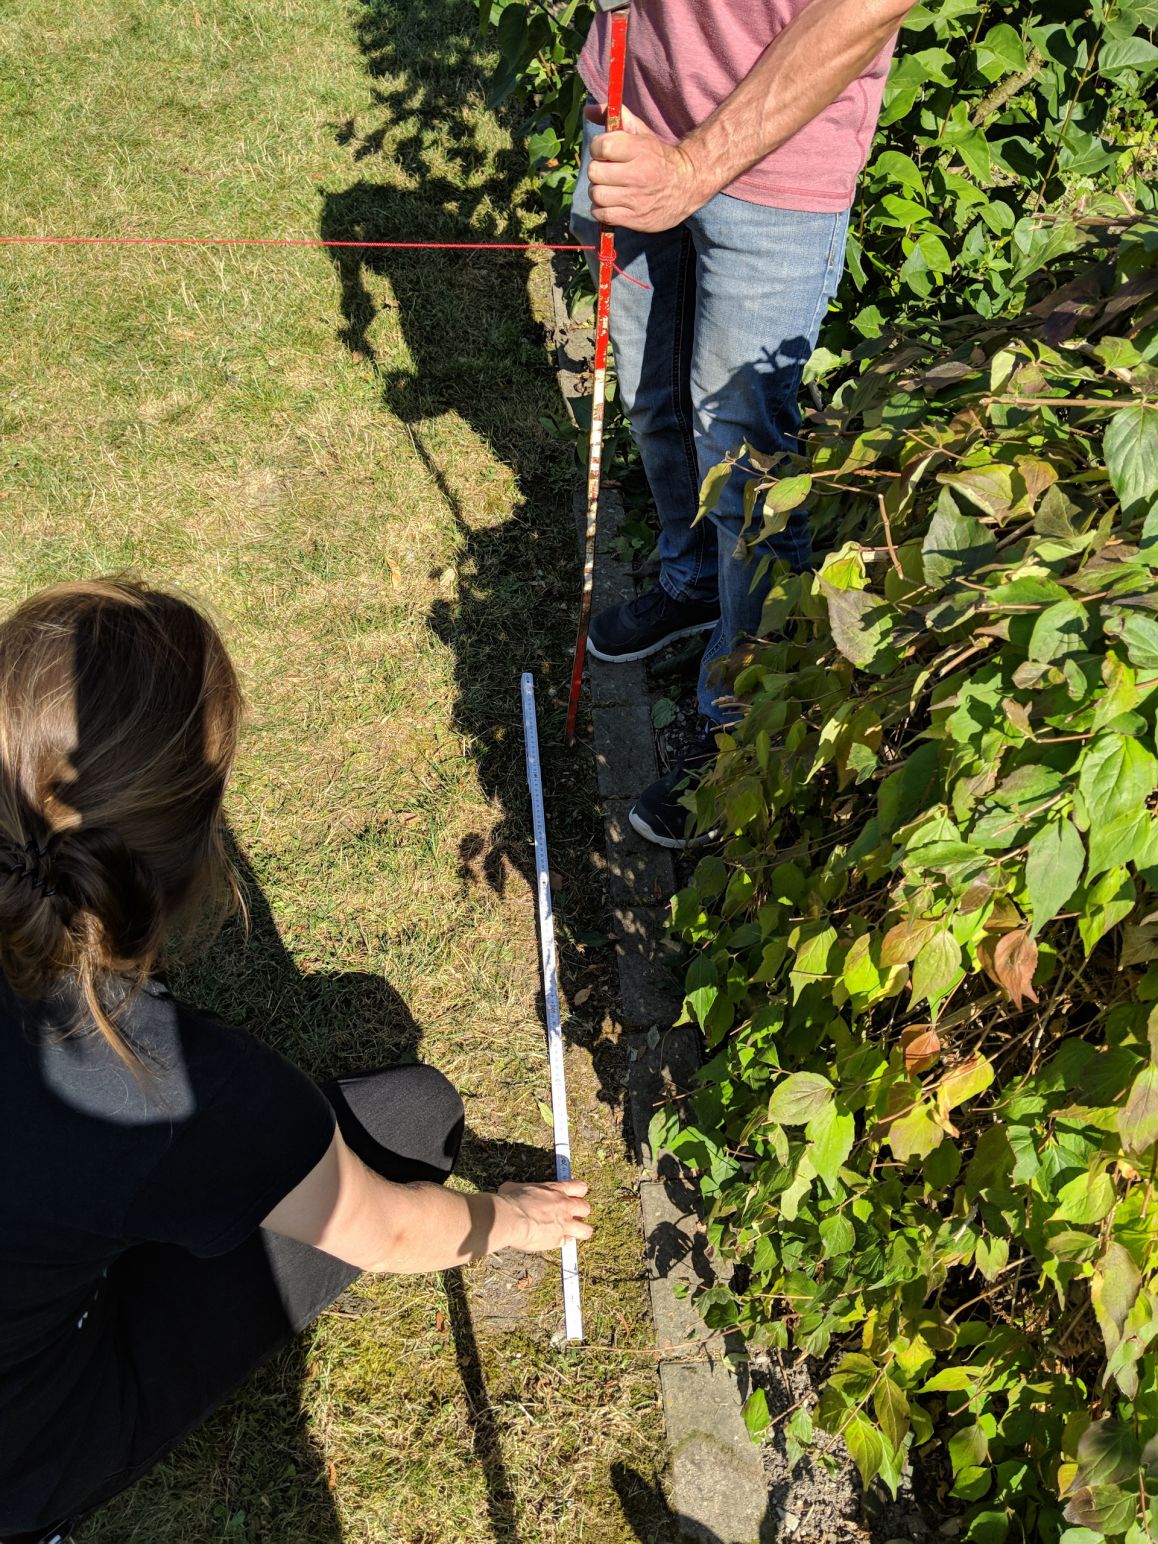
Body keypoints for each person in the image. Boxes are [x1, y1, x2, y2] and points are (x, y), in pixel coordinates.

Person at [0, 580, 592, 1544]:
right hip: (24, 1450)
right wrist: (509, 1218)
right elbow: (390, 1234)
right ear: (191, 854)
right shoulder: (177, 1086)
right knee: (412, 1121)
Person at [570, 0, 914, 847]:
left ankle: (737, 719)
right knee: (654, 407)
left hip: (776, 171)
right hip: (632, 110)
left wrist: (691, 170)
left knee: (745, 468)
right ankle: (690, 588)